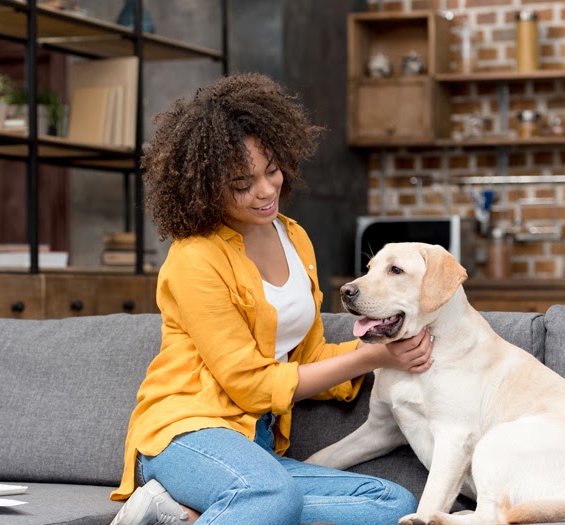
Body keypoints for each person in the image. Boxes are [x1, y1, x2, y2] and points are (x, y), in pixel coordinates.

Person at [108, 73, 434, 525]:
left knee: (392, 504)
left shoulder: (294, 237)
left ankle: (190, 513)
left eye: (272, 170)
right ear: (204, 185)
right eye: (242, 183)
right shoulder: (195, 258)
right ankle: (238, 503)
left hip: (255, 448)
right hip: (187, 434)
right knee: (272, 496)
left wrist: (382, 345)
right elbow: (250, 384)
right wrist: (373, 360)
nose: (265, 191)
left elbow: (311, 352)